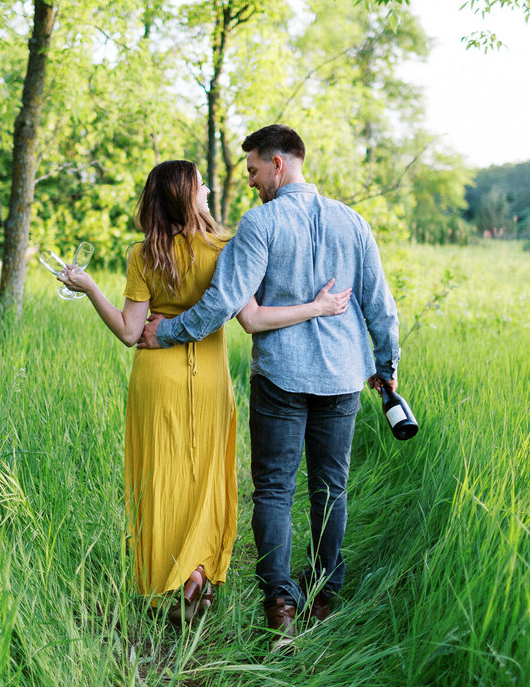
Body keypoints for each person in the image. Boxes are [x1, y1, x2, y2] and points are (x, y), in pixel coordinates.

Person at [56, 159, 352, 625]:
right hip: (210, 377)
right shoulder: (223, 247)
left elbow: (130, 332)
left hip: (157, 379)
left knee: (161, 476)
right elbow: (250, 317)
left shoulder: (143, 255)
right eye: (201, 186)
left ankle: (168, 580)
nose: (209, 191)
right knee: (208, 474)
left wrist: (89, 285)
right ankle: (197, 572)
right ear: (186, 196)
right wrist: (316, 306)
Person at [138, 125, 399, 645]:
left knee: (276, 490)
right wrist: (386, 365)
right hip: (343, 377)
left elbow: (221, 303)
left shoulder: (261, 224)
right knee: (331, 487)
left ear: (278, 164)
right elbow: (380, 303)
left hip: (281, 376)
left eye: (254, 170)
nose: (252, 182)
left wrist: (165, 331)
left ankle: (279, 602)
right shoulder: (354, 222)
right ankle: (323, 594)